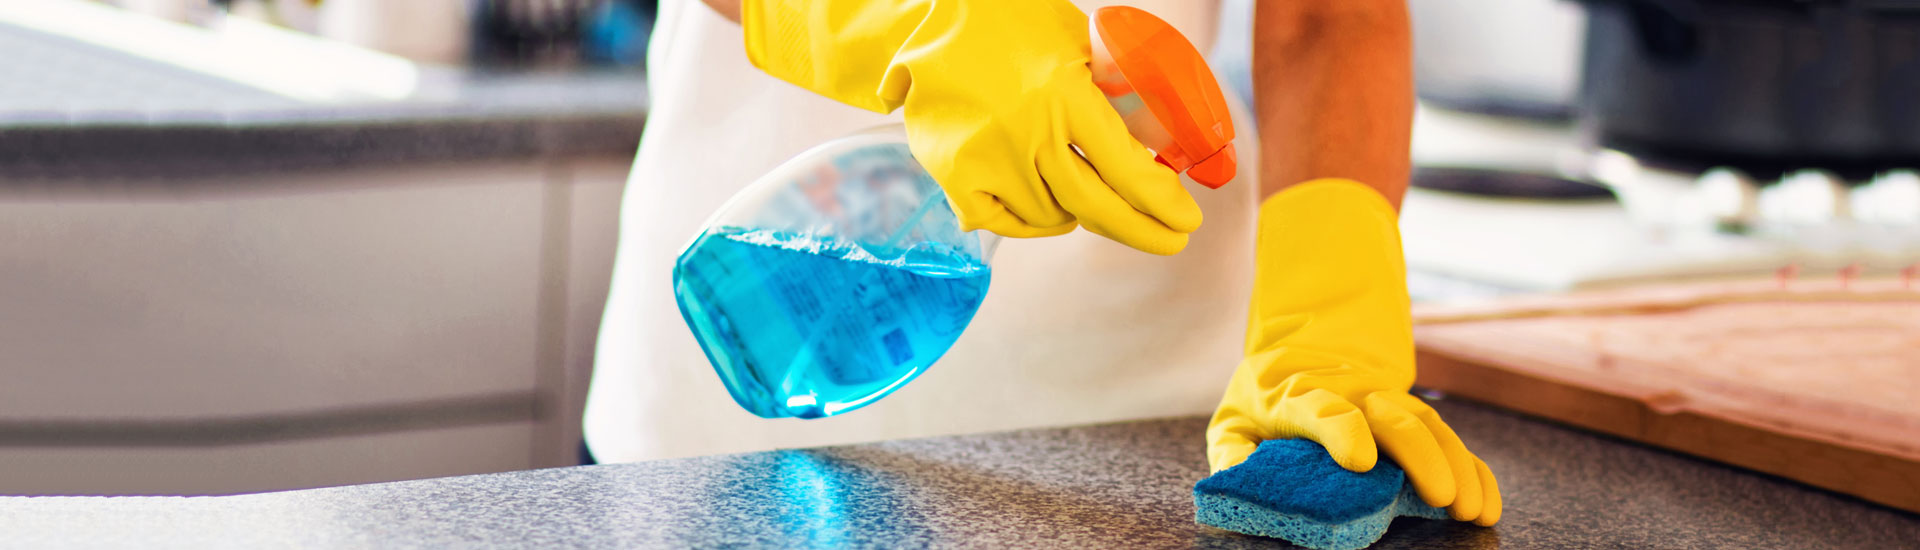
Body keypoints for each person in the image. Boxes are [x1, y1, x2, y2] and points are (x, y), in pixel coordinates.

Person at [585, 0, 1500, 526]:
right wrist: (909, 18)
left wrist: (1326, 303)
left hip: (1149, 441)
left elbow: (1329, 17)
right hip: (761, 375)